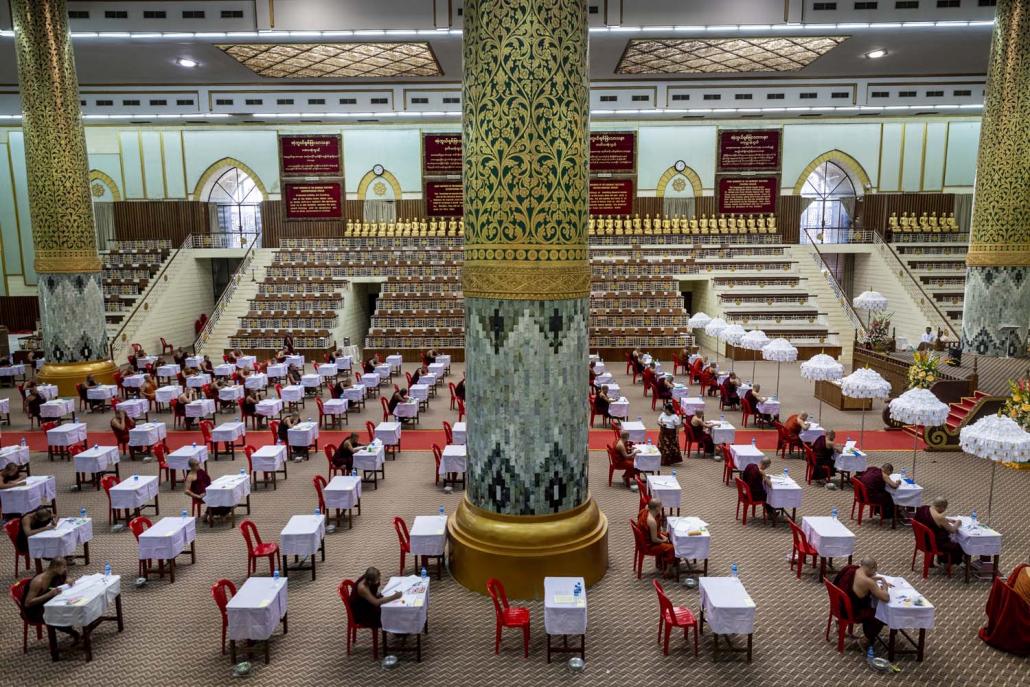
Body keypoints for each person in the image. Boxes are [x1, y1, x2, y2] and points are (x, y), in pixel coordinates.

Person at [833, 558, 891, 648]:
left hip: (838, 605)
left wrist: (878, 578)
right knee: (881, 614)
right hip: (853, 612)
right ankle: (865, 640)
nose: (874, 573)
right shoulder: (869, 582)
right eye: (874, 570)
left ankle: (839, 622)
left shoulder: (851, 569)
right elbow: (886, 598)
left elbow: (859, 579)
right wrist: (885, 586)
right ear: (871, 568)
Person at [20, 558, 80, 643]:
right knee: (58, 614)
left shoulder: (58, 574)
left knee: (74, 604)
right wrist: (48, 595)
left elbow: (64, 580)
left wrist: (68, 580)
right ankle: (70, 634)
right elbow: (28, 603)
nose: (65, 569)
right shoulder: (38, 582)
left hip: (50, 602)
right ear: (55, 567)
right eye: (64, 567)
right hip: (35, 610)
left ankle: (73, 626)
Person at [913, 497, 963, 566]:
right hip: (933, 544)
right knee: (960, 545)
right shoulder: (939, 517)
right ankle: (945, 562)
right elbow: (952, 530)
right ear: (942, 507)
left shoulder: (923, 508)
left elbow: (931, 520)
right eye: (945, 508)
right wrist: (958, 523)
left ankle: (941, 561)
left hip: (921, 540)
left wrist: (946, 520)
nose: (944, 510)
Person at [637, 498, 678, 577]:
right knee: (671, 548)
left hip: (647, 537)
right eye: (660, 506)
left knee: (669, 534)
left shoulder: (646, 510)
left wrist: (663, 536)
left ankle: (662, 563)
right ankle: (668, 571)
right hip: (649, 545)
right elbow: (654, 540)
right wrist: (664, 540)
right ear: (656, 508)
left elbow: (656, 534)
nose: (661, 508)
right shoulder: (652, 522)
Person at [184, 458, 229, 525]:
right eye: (196, 465)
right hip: (201, 495)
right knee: (218, 498)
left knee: (225, 494)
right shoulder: (190, 476)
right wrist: (197, 496)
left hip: (208, 491)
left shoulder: (200, 471)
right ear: (192, 466)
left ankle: (207, 514)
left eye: (198, 464)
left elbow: (207, 480)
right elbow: (186, 491)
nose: (199, 466)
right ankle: (218, 514)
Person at [742, 456, 775, 521]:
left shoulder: (750, 465)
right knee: (768, 495)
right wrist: (764, 476)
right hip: (753, 495)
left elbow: (744, 476)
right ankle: (771, 513)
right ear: (766, 466)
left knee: (765, 493)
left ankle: (770, 512)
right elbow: (770, 485)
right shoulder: (759, 472)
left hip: (747, 491)